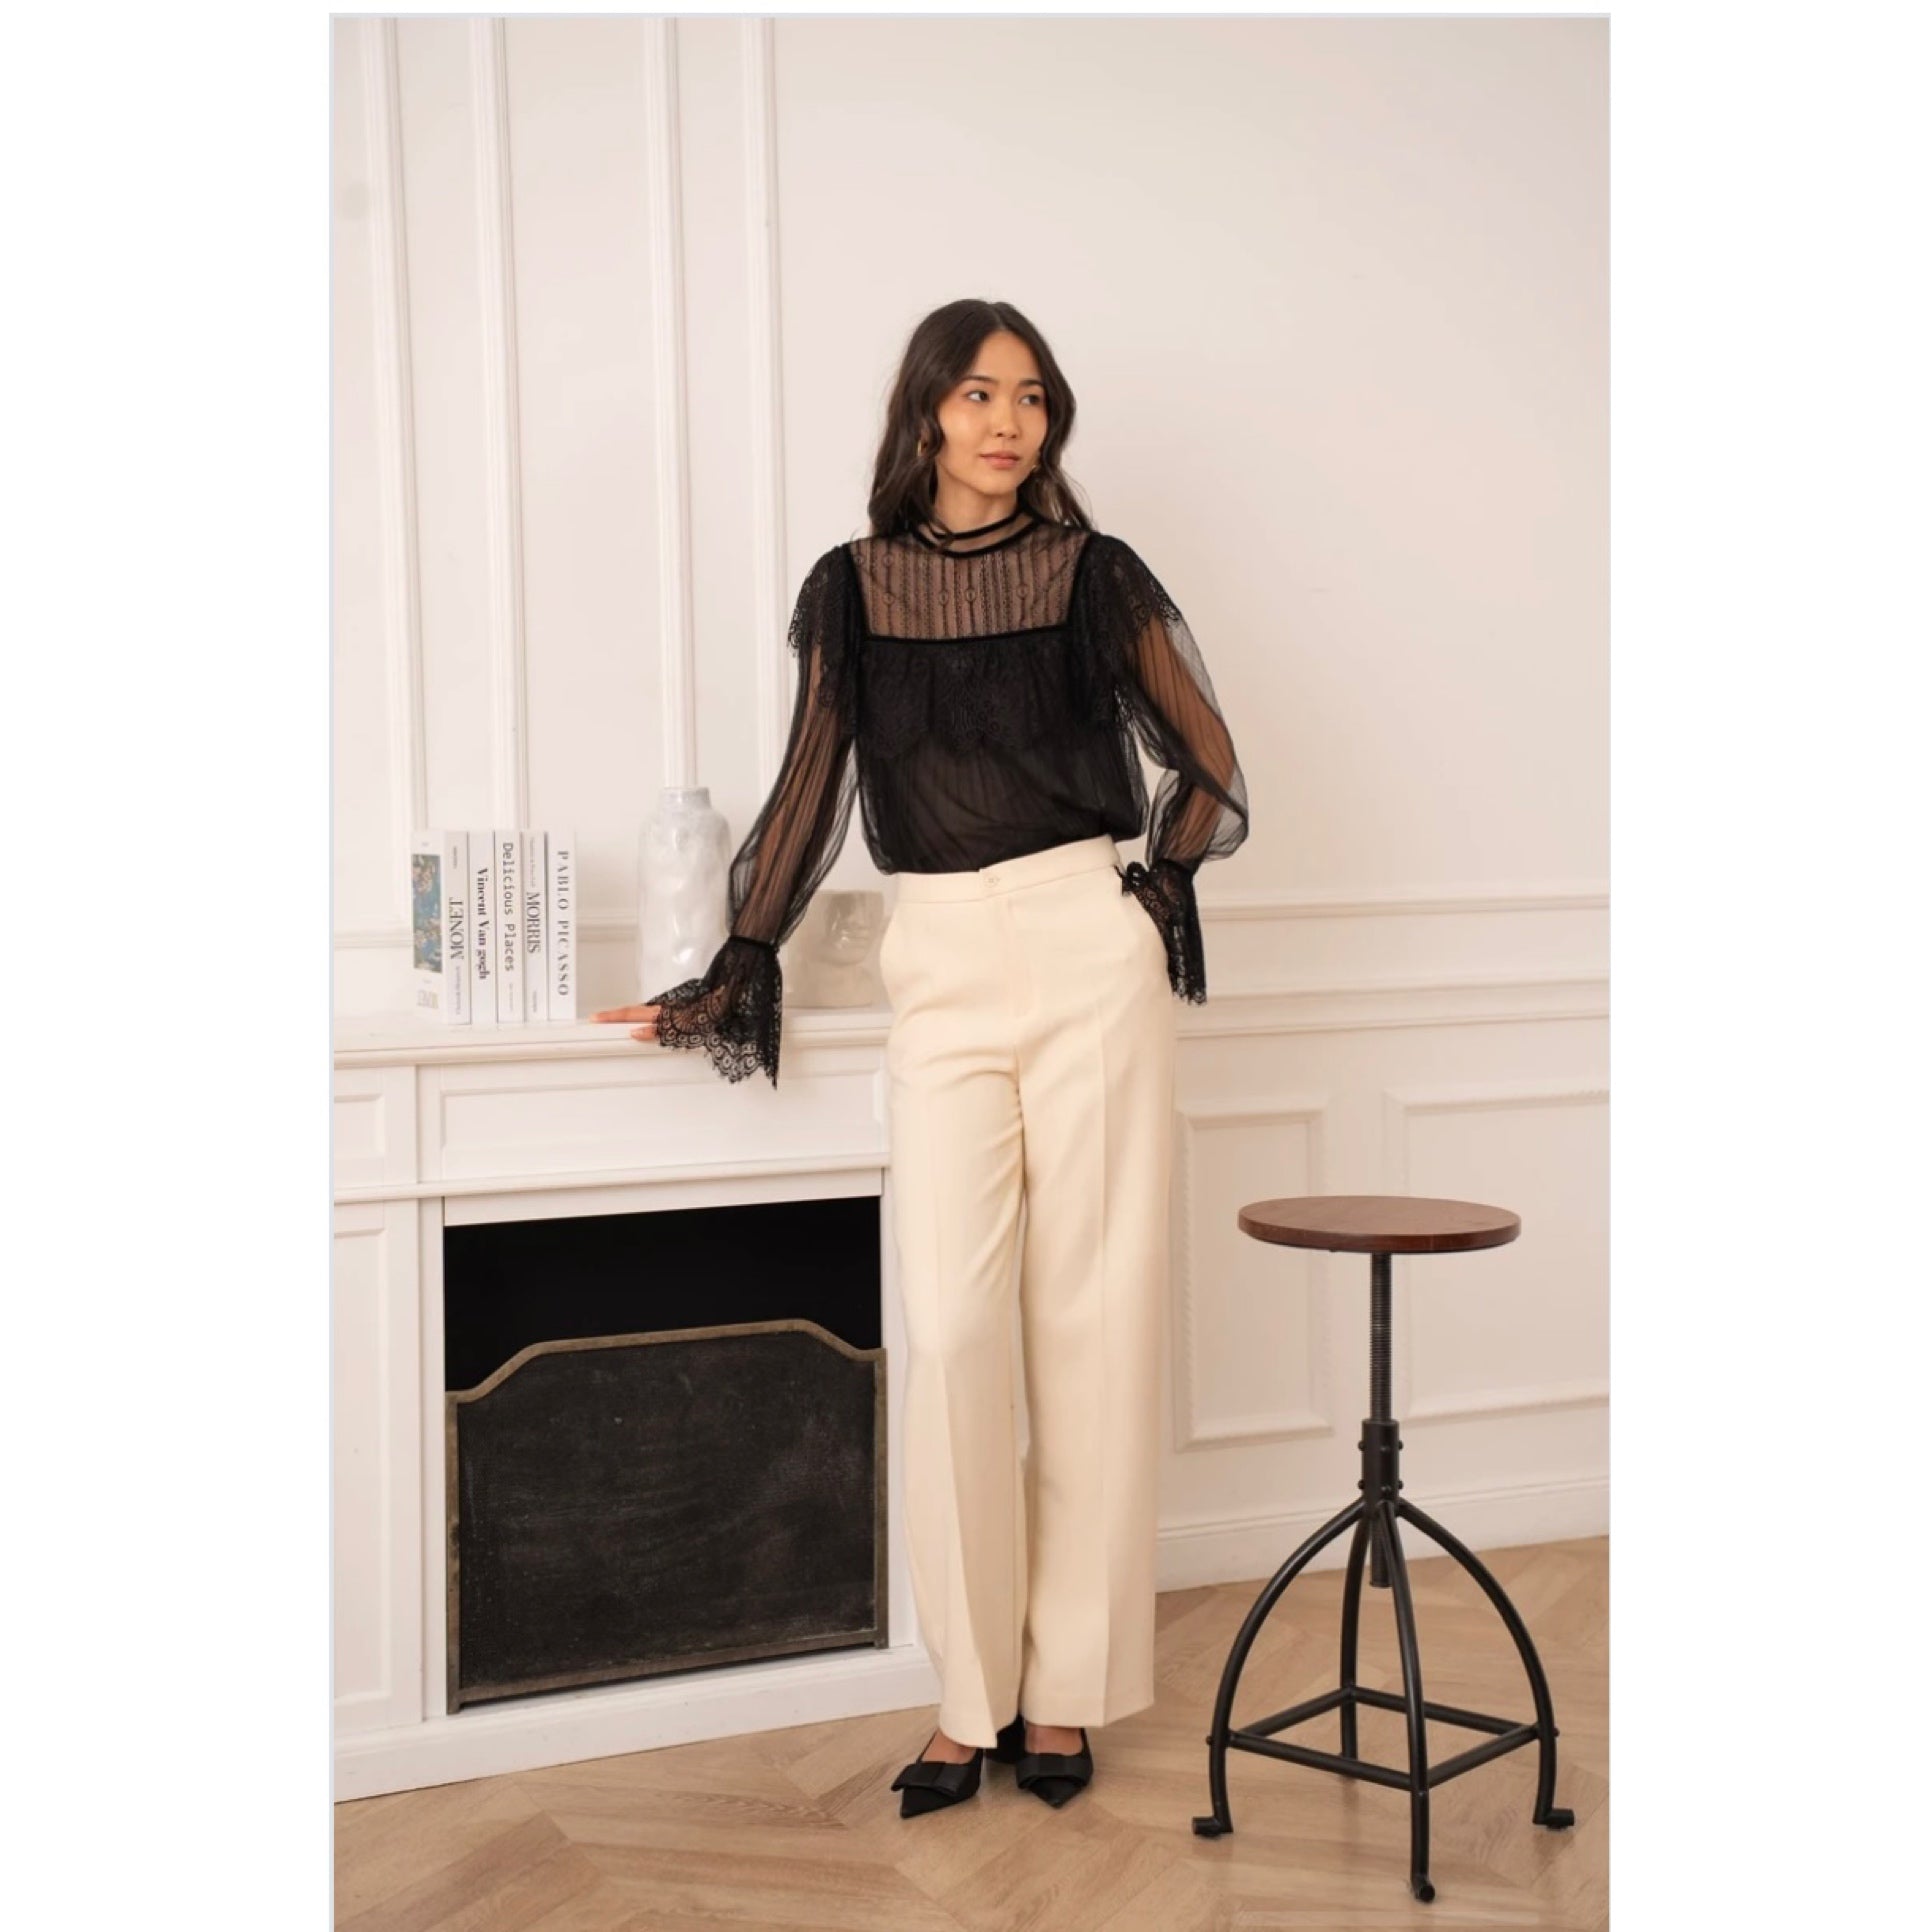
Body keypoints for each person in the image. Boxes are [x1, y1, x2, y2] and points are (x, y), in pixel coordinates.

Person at [593, 299, 1248, 1816]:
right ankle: (970, 1697)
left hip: (1087, 946)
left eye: (1032, 398)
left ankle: (1064, 1693)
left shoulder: (1095, 575)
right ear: (927, 416)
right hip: (937, 960)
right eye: (977, 395)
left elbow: (1209, 761)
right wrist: (733, 966)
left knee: (1093, 1328)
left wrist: (1149, 894)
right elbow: (809, 788)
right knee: (951, 1331)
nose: (1008, 422)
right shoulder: (853, 587)